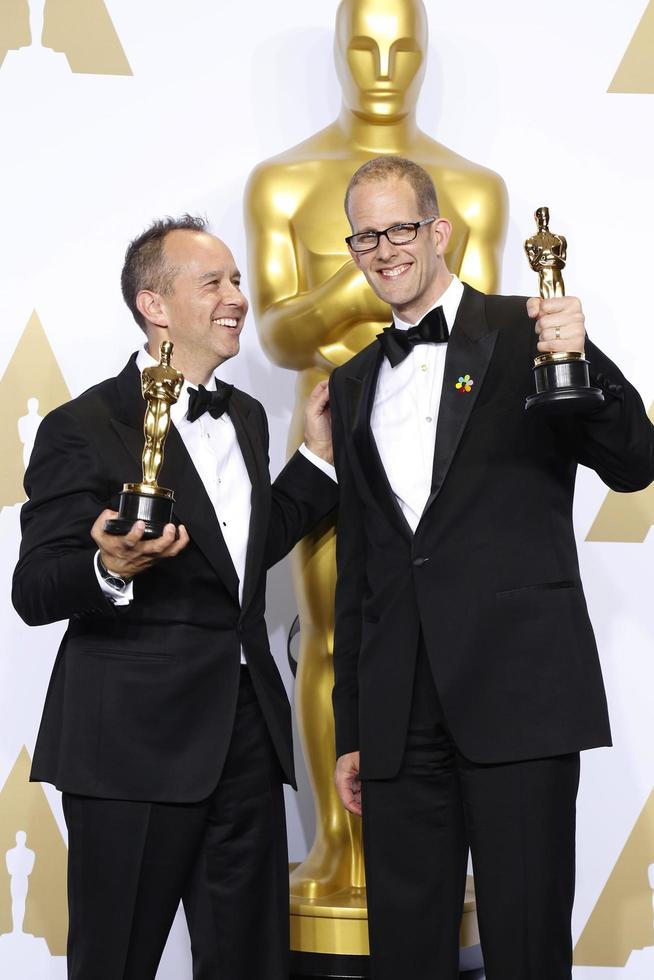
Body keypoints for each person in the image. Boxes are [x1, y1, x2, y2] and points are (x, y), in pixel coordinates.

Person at [329, 155, 654, 980]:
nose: (384, 249)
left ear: (438, 232)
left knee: (525, 945)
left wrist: (586, 367)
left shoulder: (528, 331)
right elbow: (362, 567)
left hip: (520, 693)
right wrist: (353, 729)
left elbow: (634, 461)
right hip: (401, 713)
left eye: (400, 228)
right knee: (405, 954)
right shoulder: (352, 381)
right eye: (366, 235)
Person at [12, 215, 337, 980]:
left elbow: (239, 555)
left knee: (248, 963)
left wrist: (317, 460)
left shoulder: (249, 417)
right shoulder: (82, 426)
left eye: (236, 281)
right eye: (214, 282)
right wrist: (111, 565)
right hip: (130, 748)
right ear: (153, 305)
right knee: (116, 961)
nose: (237, 298)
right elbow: (34, 588)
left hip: (246, 738)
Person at [244, 0, 507, 901]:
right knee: (331, 643)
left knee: (457, 640)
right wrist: (375, 285)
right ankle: (338, 851)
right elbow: (278, 337)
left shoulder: (474, 187)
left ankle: (443, 845)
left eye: (402, 43)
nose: (383, 61)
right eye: (363, 42)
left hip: (452, 463)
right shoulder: (282, 181)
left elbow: (485, 336)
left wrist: (373, 284)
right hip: (331, 438)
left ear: (426, 51)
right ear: (339, 52)